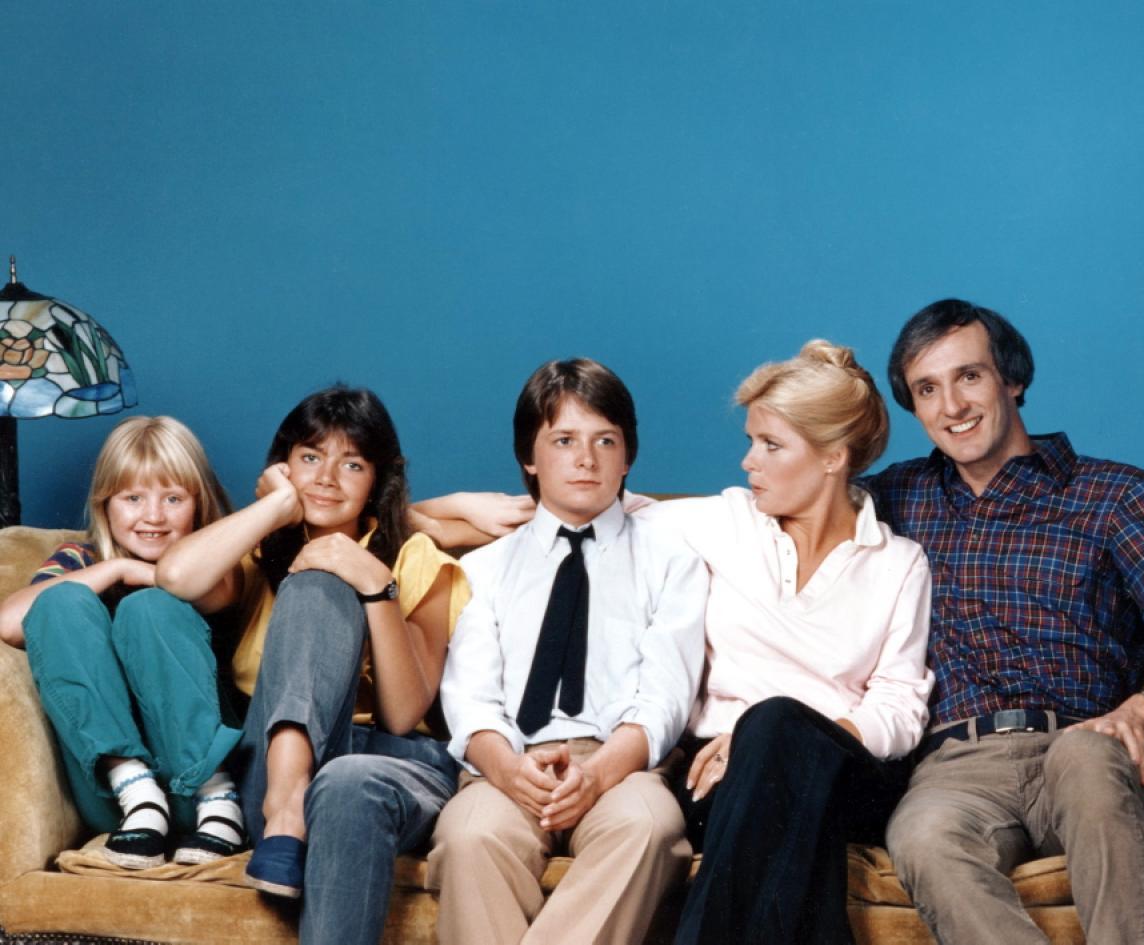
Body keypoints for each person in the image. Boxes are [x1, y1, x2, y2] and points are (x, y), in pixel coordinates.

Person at [867, 299, 1144, 945]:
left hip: (1082, 740)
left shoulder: (1115, 495)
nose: (952, 406)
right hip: (955, 762)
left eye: (969, 376)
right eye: (927, 389)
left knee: (1086, 755)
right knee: (922, 834)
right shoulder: (891, 500)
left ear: (1012, 379)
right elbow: (788, 505)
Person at [631, 340, 933, 945]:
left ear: (833, 458)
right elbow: (588, 512)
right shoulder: (724, 522)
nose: (748, 462)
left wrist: (769, 738)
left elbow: (900, 707)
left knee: (772, 725)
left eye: (771, 445)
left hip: (847, 772)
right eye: (751, 441)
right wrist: (448, 513)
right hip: (715, 775)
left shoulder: (898, 561)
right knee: (789, 822)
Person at [157, 386, 470, 945]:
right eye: (309, 457)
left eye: (352, 464)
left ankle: (293, 808)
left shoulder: (415, 557)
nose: (326, 478)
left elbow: (403, 715)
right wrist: (276, 507)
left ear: (377, 480)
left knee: (348, 784)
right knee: (313, 585)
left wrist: (374, 585)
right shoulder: (256, 555)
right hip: (264, 777)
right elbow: (175, 576)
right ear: (282, 466)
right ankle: (286, 800)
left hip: (388, 763)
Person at [426, 358, 709, 945]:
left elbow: (665, 698)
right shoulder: (485, 568)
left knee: (650, 828)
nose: (586, 459)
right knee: (469, 836)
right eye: (563, 441)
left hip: (620, 764)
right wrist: (508, 771)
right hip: (510, 761)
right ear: (529, 458)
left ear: (627, 458)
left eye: (606, 441)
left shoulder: (670, 561)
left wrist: (597, 775)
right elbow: (470, 699)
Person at [0, 416, 244, 869]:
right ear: (105, 504)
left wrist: (150, 580)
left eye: (173, 498)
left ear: (198, 505)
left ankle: (219, 799)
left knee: (148, 608)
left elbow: (217, 592)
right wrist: (118, 569)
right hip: (116, 798)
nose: (153, 516)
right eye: (133, 498)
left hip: (199, 794)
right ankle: (138, 788)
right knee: (59, 601)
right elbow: (10, 622)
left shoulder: (212, 562)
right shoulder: (80, 560)